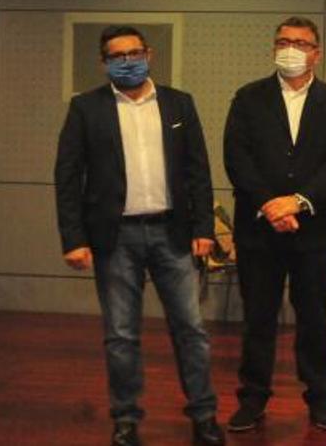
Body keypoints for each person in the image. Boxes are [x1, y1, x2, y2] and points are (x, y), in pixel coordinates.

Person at [54, 25, 225, 446]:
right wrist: (73, 239)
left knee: (191, 330)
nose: (127, 61)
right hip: (115, 239)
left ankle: (203, 416)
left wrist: (204, 228)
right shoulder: (85, 109)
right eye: (117, 55)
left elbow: (197, 171)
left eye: (134, 52)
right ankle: (126, 420)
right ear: (104, 62)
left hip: (174, 233)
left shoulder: (178, 103)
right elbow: (67, 176)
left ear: (149, 53)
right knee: (121, 335)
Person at [223, 16, 326, 432]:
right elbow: (236, 158)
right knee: (258, 317)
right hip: (259, 229)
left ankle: (320, 399)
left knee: (314, 316)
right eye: (283, 41)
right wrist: (271, 205)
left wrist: (298, 203)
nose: (291, 49)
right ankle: (253, 398)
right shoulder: (248, 98)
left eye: (300, 43)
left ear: (317, 52)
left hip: (314, 233)